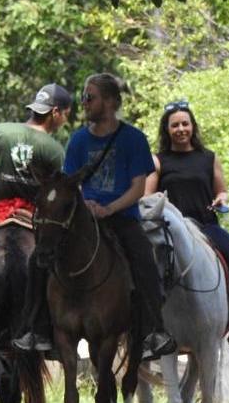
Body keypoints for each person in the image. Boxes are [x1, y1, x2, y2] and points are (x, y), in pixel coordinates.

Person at [13, 73, 176, 361]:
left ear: (111, 102)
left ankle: (153, 331)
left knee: (145, 261)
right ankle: (36, 329)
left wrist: (110, 209)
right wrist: (85, 203)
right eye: (84, 97)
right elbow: (70, 181)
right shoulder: (78, 140)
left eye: (91, 97)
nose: (85, 102)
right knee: (40, 257)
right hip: (83, 217)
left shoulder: (133, 139)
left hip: (121, 217)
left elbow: (139, 187)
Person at [0, 83, 70, 338]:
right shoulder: (55, 150)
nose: (65, 119)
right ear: (55, 112)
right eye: (66, 114)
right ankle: (53, 326)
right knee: (61, 260)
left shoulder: (2, 131)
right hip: (33, 215)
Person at [144, 100, 229, 349]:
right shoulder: (158, 161)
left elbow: (221, 190)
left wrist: (221, 199)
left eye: (185, 124)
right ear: (166, 129)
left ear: (193, 126)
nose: (181, 129)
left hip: (205, 226)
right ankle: (149, 328)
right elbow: (146, 199)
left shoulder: (208, 158)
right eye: (175, 125)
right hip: (170, 230)